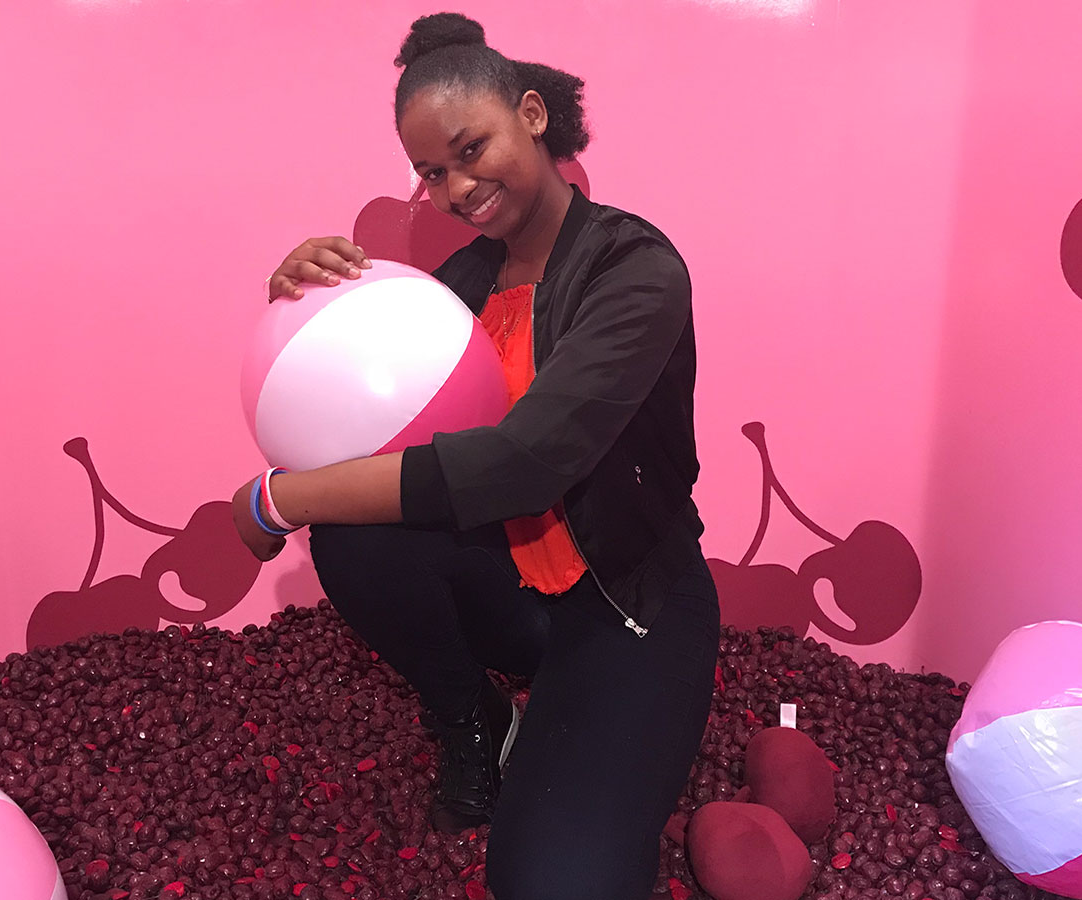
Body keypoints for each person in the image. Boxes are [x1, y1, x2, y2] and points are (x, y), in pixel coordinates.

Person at [232, 13, 720, 900]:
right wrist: (303, 317)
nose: (457, 186)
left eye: (470, 149)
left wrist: (278, 498)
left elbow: (526, 462)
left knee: (553, 883)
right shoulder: (454, 286)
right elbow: (368, 433)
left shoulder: (635, 269)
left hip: (629, 603)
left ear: (532, 114)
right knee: (355, 535)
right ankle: (478, 720)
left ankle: (578, 720)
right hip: (516, 590)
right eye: (431, 172)